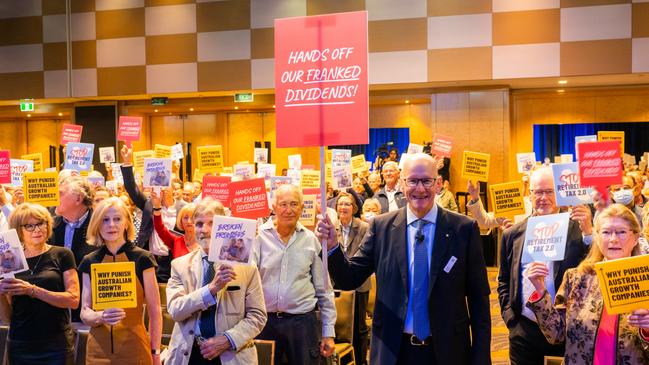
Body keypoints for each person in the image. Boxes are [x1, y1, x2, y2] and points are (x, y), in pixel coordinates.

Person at [316, 153, 491, 364]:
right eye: (413, 181)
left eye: (427, 181)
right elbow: (349, 278)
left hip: (448, 352)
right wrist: (333, 247)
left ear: (437, 184)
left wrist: (481, 358)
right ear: (402, 183)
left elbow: (479, 300)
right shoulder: (382, 227)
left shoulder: (462, 229)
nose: (420, 188)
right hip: (393, 351)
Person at [526, 204, 649, 364]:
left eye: (621, 232)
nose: (613, 239)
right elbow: (556, 335)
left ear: (635, 238)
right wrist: (540, 290)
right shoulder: (576, 278)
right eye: (606, 232)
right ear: (597, 237)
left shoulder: (645, 279)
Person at [498, 167, 592, 365]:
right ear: (529, 195)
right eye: (538, 192)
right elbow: (504, 280)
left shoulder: (577, 230)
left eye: (549, 192)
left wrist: (589, 233)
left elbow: (591, 269)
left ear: (559, 193)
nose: (543, 197)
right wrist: (510, 318)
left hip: (562, 328)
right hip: (523, 330)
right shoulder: (512, 234)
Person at [165, 198, 267, 365]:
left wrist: (227, 339)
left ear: (224, 225)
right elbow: (176, 311)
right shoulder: (179, 265)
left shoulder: (246, 266)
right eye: (199, 224)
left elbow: (257, 316)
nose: (204, 230)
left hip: (232, 354)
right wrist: (210, 289)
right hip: (189, 354)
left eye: (212, 223)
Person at [251, 184, 336, 365]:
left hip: (302, 325)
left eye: (294, 204)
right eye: (283, 204)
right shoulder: (257, 238)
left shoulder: (312, 240)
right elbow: (247, 283)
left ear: (302, 208)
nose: (288, 210)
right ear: (273, 207)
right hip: (264, 323)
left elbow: (324, 289)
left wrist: (328, 333)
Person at [78, 197, 162, 365]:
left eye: (117, 219)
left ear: (127, 223)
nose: (111, 225)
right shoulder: (89, 260)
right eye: (105, 220)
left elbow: (155, 311)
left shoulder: (143, 258)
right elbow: (84, 311)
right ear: (97, 224)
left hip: (135, 348)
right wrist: (99, 316)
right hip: (97, 352)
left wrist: (156, 352)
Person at [0, 203, 79, 364]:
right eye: (29, 226)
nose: (37, 229)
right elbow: (8, 317)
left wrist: (32, 290)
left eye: (41, 223)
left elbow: (73, 299)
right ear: (18, 230)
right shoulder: (10, 258)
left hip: (56, 343)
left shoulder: (62, 254)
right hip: (20, 343)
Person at [334, 192, 371, 364]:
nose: (343, 207)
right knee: (340, 327)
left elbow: (366, 253)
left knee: (359, 328)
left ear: (354, 208)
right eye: (340, 204)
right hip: (338, 284)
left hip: (359, 283)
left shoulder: (363, 227)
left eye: (347, 204)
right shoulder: (333, 227)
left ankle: (361, 360)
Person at [51, 175, 95, 266]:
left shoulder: (100, 226)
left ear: (78, 199)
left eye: (60, 193)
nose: (54, 197)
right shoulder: (49, 226)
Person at [152, 191, 199, 259]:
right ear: (180, 220)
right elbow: (159, 228)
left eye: (192, 217)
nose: (189, 221)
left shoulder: (205, 242)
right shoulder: (175, 241)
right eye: (185, 218)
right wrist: (157, 207)